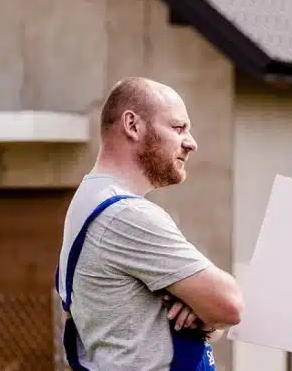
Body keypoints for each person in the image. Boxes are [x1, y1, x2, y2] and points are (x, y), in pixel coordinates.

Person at [55, 77, 244, 370]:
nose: (191, 143)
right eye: (178, 128)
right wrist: (206, 306)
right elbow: (230, 304)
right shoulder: (125, 215)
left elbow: (216, 320)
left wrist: (202, 313)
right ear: (132, 125)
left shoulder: (89, 203)